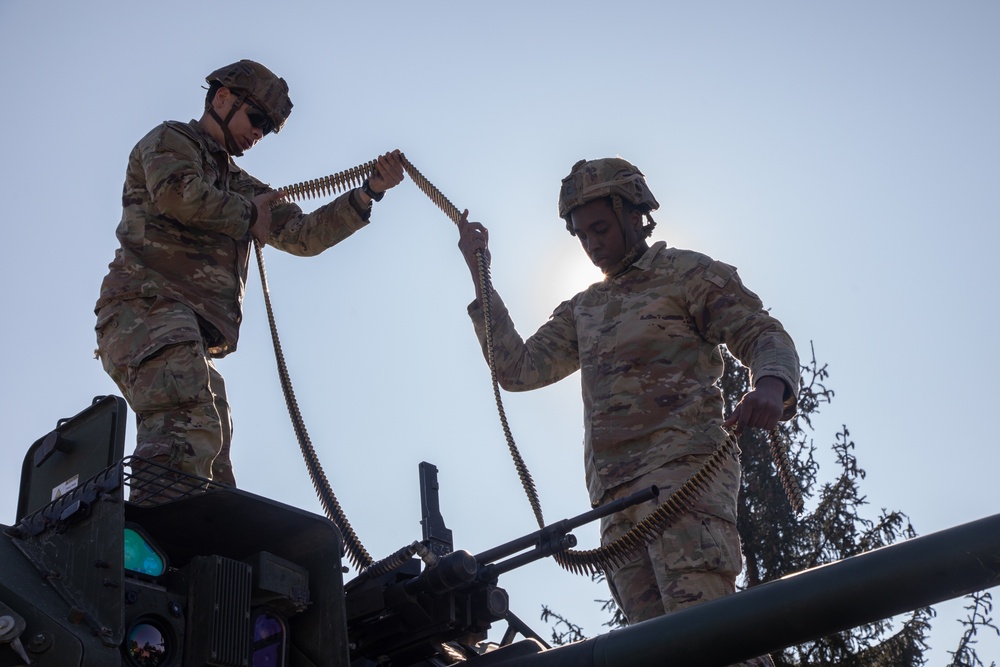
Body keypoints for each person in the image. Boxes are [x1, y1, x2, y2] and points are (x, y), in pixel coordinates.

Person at [457, 157, 798, 665]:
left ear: (633, 214)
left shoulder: (685, 273)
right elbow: (519, 369)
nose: (591, 243)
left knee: (707, 632)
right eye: (580, 234)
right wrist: (478, 271)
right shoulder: (584, 307)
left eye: (599, 227)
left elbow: (762, 333)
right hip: (615, 502)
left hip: (684, 477)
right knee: (656, 651)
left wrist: (771, 386)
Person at [94, 59, 404, 499]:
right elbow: (179, 195)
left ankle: (204, 552)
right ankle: (152, 550)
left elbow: (302, 235)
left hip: (181, 327)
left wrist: (368, 191)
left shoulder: (240, 183)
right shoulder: (171, 140)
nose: (257, 134)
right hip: (145, 309)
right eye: (256, 118)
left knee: (214, 452)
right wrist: (248, 214)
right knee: (189, 425)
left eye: (267, 129)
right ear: (221, 98)